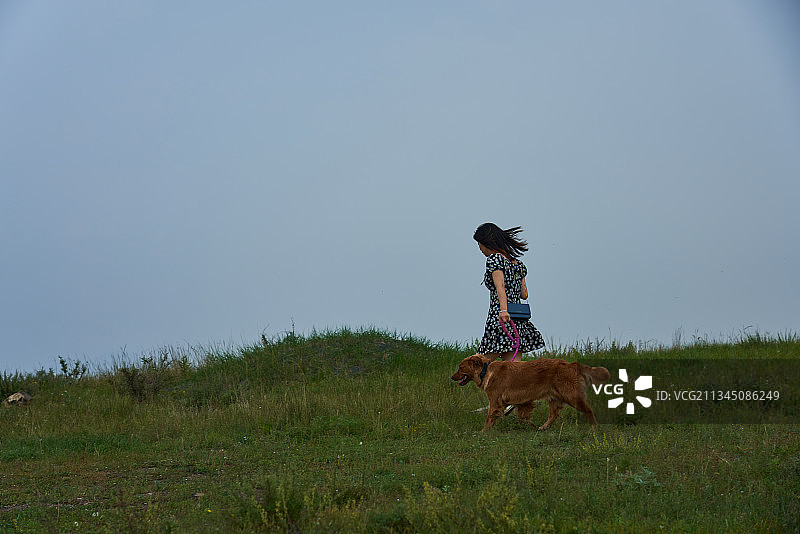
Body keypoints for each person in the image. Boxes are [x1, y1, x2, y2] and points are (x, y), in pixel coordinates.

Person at [474, 222, 545, 362]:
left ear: (486, 242)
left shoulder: (495, 259)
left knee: (478, 362)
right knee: (512, 370)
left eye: (479, 243)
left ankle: (458, 379)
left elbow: (500, 286)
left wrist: (503, 310)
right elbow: (524, 294)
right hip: (516, 319)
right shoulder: (518, 264)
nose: (479, 247)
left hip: (500, 316)